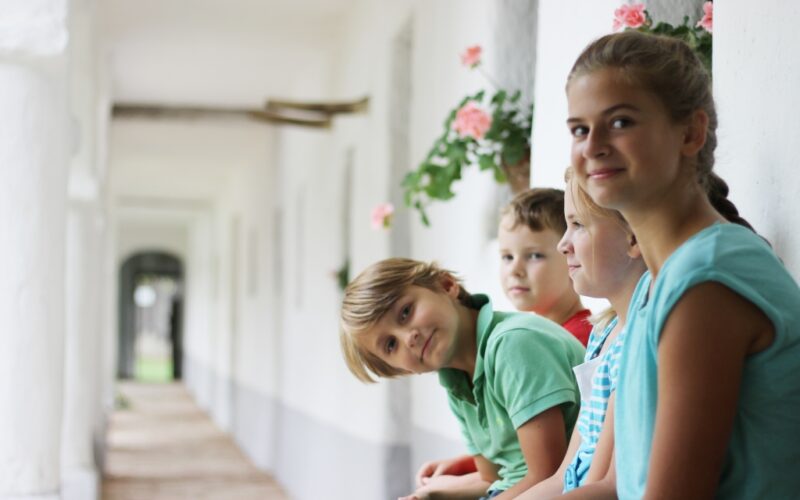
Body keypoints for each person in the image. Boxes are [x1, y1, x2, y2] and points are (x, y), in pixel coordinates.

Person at [564, 30, 800, 498]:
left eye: (621, 122)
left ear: (690, 132)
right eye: (579, 128)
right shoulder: (656, 285)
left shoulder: (707, 278)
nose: (592, 146)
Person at [339, 258, 585, 499]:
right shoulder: (456, 380)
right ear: (399, 369)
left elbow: (548, 478)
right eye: (391, 344)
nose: (408, 338)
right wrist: (434, 494)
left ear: (446, 286)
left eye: (405, 312)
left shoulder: (513, 345)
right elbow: (493, 478)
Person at [514, 168, 646, 499]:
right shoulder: (606, 333)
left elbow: (605, 488)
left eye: (579, 225)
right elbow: (566, 473)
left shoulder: (639, 340)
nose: (563, 244)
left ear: (634, 236)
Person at [498, 188, 593, 346]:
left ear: (570, 254)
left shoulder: (579, 342)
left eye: (534, 256)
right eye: (507, 257)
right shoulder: (536, 337)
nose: (515, 270)